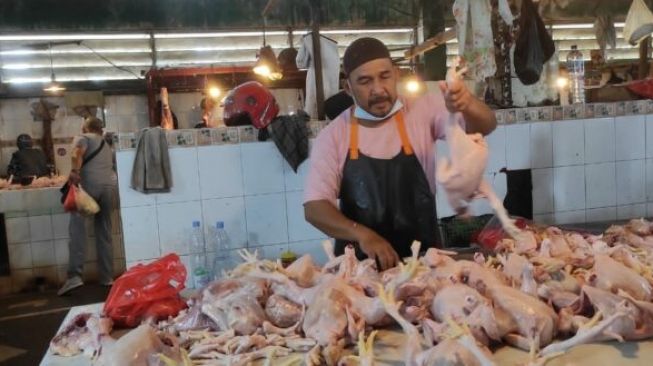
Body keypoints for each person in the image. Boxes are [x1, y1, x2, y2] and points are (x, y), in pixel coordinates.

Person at [303, 37, 497, 270]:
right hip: (360, 273)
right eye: (364, 81)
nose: (377, 89)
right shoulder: (333, 136)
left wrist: (467, 103)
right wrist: (364, 235)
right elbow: (314, 208)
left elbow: (485, 125)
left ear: (396, 74)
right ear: (348, 87)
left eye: (384, 76)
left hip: (423, 263)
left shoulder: (423, 110)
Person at [58, 117, 117, 295]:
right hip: (109, 189)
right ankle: (107, 277)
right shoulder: (107, 145)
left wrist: (75, 172)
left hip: (88, 188)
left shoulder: (83, 137)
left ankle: (74, 277)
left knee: (77, 230)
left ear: (86, 127)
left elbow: (76, 153)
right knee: (105, 232)